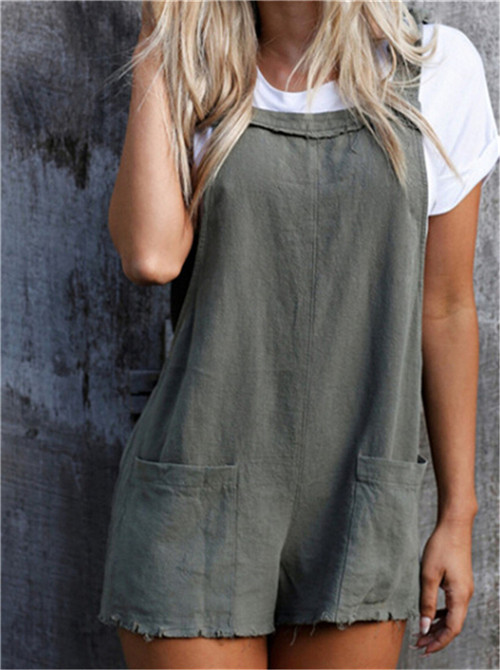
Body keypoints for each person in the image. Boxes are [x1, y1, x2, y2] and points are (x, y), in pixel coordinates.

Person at [97, 1, 500, 668]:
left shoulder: (436, 68)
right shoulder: (197, 72)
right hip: (198, 492)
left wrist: (458, 513)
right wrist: (156, 36)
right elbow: (151, 256)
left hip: (357, 499)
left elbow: (448, 308)